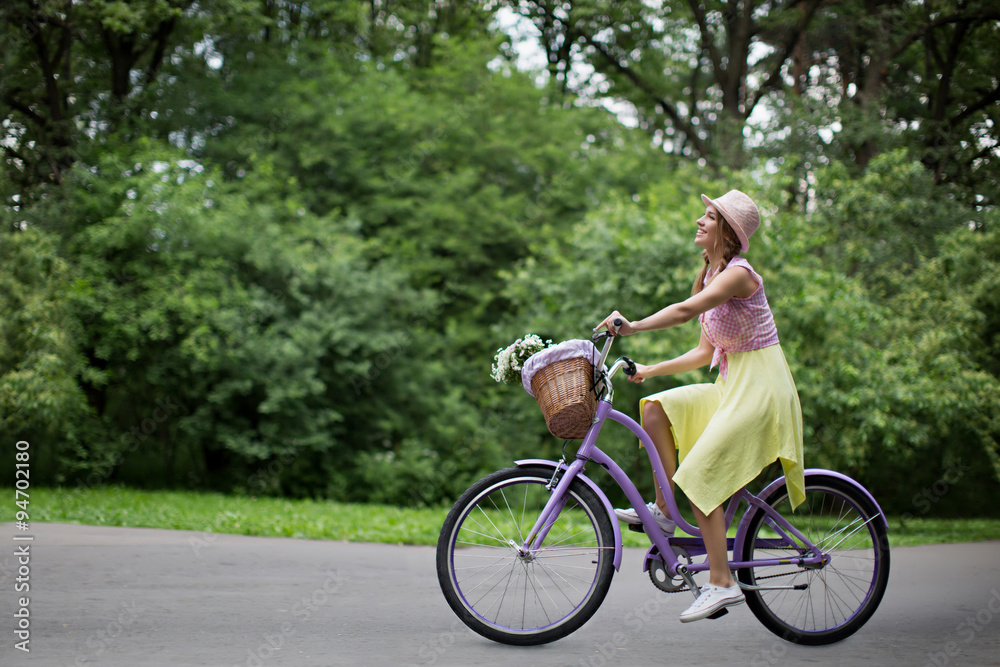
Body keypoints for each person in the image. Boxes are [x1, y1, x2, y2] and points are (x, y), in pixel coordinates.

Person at [595, 189, 805, 623]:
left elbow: (685, 310)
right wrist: (650, 370)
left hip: (762, 393)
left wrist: (632, 327)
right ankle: (666, 513)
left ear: (726, 231)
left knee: (700, 475)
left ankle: (721, 582)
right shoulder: (712, 275)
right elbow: (702, 351)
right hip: (733, 387)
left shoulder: (739, 275)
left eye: (708, 217)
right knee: (654, 408)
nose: (699, 221)